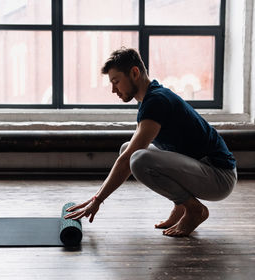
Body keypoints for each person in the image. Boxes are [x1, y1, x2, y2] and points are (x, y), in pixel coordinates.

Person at [64, 47, 237, 237]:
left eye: (116, 81)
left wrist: (97, 200)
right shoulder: (152, 98)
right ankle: (181, 206)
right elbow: (128, 153)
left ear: (135, 73)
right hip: (204, 170)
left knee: (137, 159)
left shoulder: (156, 101)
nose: (113, 90)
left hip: (219, 177)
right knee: (128, 150)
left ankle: (194, 210)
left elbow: (129, 159)